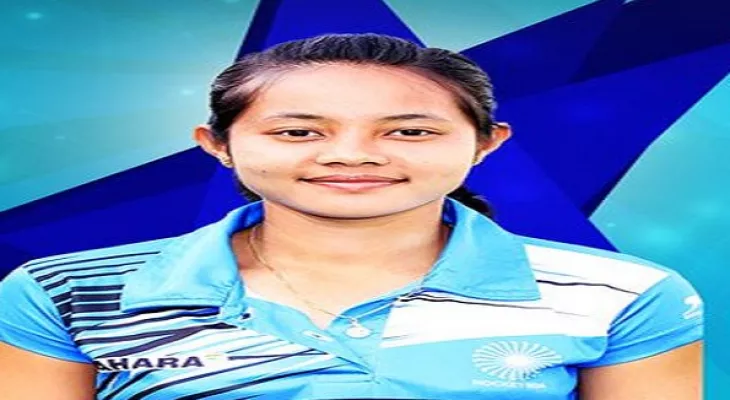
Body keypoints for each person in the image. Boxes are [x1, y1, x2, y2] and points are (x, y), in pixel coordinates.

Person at [0, 33, 702, 400]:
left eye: (410, 131)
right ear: (217, 145)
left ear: (487, 144)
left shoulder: (626, 295)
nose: (352, 155)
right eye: (298, 131)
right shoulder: (64, 292)